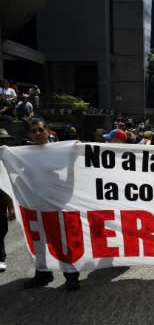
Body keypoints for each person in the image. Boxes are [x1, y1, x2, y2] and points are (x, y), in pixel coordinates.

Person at [23, 117, 81, 290]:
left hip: (56, 206)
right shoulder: (24, 154)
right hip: (34, 206)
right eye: (34, 131)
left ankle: (71, 275)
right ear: (29, 135)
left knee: (61, 242)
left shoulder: (60, 151)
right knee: (37, 243)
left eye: (41, 129)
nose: (38, 133)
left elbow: (73, 168)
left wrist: (78, 149)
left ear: (48, 131)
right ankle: (43, 273)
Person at [0, 128, 15, 272]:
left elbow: (8, 184)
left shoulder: (6, 158)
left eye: (5, 140)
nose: (3, 143)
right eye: (1, 140)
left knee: (1, 230)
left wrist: (11, 207)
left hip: (1, 201)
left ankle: (0, 258)